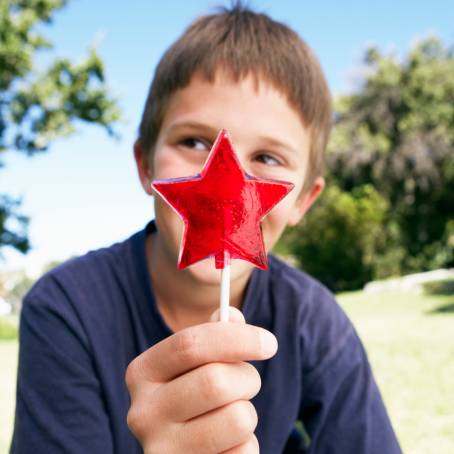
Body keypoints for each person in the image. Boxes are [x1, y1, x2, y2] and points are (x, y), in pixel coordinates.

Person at [11, 4, 402, 454]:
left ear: (303, 200)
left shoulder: (313, 321)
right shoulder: (65, 309)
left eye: (268, 158)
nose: (228, 186)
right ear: (145, 166)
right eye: (194, 142)